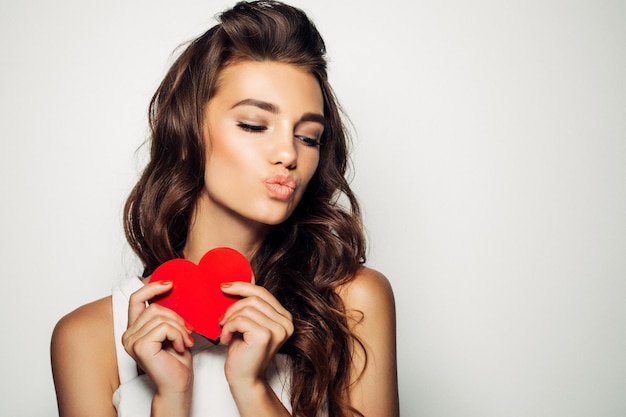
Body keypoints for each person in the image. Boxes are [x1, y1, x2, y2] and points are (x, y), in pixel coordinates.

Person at [50, 1, 398, 416]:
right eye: (253, 125)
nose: (288, 153)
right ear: (185, 134)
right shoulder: (88, 338)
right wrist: (172, 398)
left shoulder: (351, 301)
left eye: (308, 137)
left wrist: (252, 389)